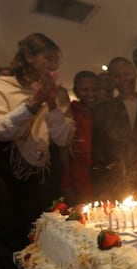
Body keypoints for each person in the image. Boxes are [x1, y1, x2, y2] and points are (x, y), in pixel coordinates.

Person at [0, 33, 74, 269]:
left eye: (56, 59)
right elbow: (1, 130)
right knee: (12, 240)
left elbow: (63, 139)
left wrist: (51, 104)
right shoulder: (3, 87)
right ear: (29, 57)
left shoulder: (60, 95)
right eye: (48, 57)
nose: (54, 65)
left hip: (44, 177)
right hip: (9, 178)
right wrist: (32, 103)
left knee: (45, 236)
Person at [92, 57, 137, 201]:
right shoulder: (103, 110)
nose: (123, 79)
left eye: (127, 73)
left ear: (135, 73)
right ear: (112, 80)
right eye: (117, 76)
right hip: (117, 183)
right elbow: (98, 152)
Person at [61, 71, 99, 205]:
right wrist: (66, 185)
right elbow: (63, 152)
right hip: (78, 179)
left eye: (94, 89)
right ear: (76, 91)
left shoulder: (106, 111)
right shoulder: (70, 113)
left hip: (103, 180)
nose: (91, 94)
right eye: (85, 90)